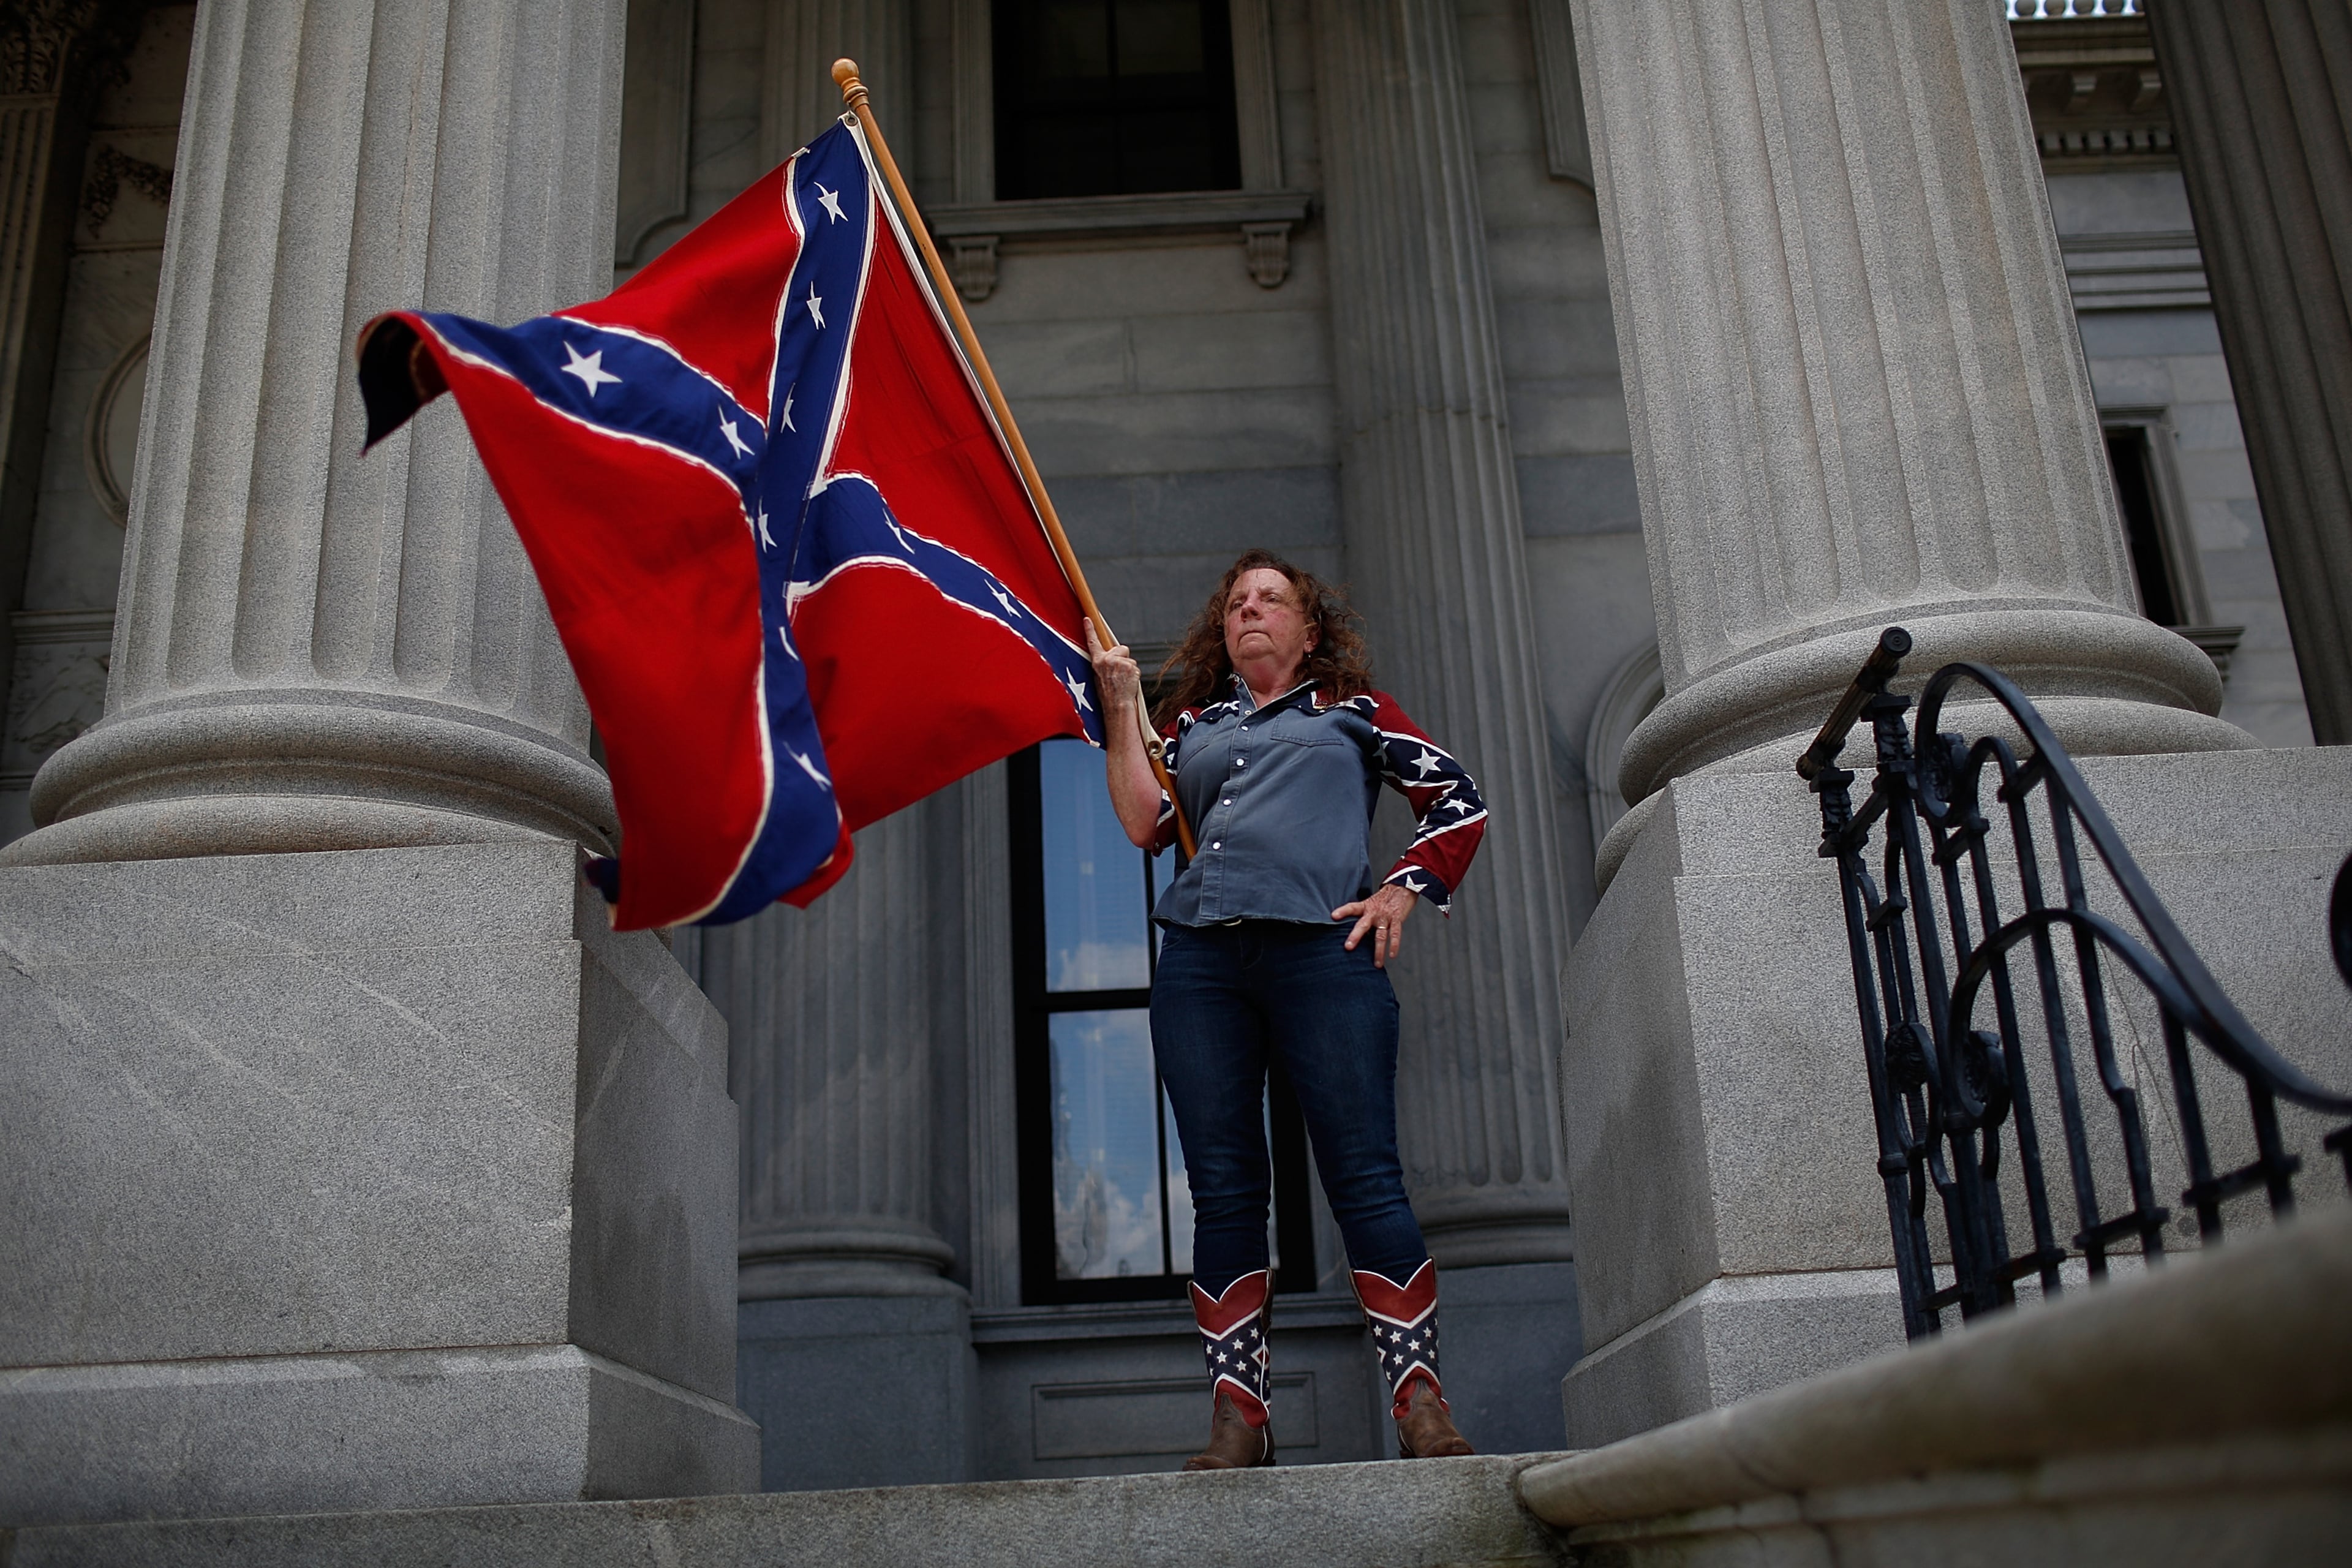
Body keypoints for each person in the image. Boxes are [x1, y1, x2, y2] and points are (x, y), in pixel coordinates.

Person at [1085, 549, 1487, 1470]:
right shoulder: (1191, 721)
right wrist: (1121, 712)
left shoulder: (1354, 711)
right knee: (1226, 1192)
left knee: (1366, 1179)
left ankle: (1421, 1406)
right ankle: (1241, 1422)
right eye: (1237, 603)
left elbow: (1457, 804)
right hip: (1202, 963)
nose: (1250, 612)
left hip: (1321, 952)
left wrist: (1401, 891)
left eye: (1272, 600)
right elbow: (1145, 822)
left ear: (1311, 628)